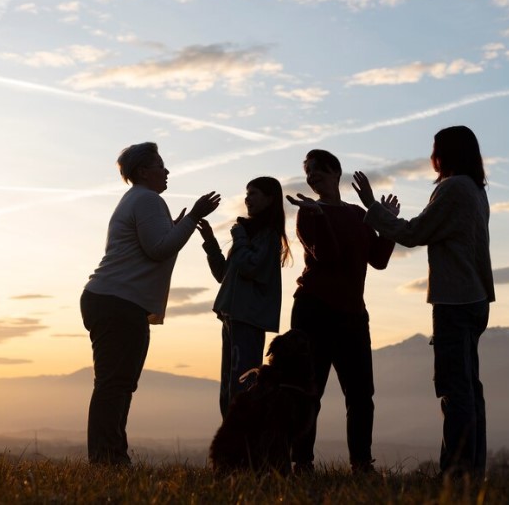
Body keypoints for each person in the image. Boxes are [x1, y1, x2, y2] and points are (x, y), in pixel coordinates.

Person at [351, 126, 495, 480]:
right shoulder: (476, 191)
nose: (431, 156)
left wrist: (371, 207)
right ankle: (470, 470)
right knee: (470, 388)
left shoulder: (454, 188)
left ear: (444, 153)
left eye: (434, 149)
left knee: (454, 389)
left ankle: (456, 474)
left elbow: (414, 233)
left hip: (455, 300)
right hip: (475, 298)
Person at [80, 142, 221, 466]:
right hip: (118, 302)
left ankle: (112, 456)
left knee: (118, 383)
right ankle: (106, 459)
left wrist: (177, 226)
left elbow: (153, 246)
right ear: (144, 171)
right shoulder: (147, 200)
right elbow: (159, 249)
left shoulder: (139, 200)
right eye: (160, 164)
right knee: (115, 384)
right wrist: (194, 217)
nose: (167, 170)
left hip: (113, 301)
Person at [285, 149, 396, 474]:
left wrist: (385, 221)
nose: (312, 176)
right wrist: (318, 216)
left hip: (352, 315)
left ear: (335, 172)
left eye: (318, 169)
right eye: (308, 171)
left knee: (362, 394)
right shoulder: (307, 212)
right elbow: (328, 256)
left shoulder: (357, 214)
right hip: (313, 311)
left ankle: (362, 463)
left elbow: (379, 259)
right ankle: (301, 463)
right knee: (309, 390)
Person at [196, 176, 292, 418]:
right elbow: (223, 274)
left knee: (242, 384)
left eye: (254, 193)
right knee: (229, 384)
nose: (247, 198)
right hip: (233, 316)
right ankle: (230, 442)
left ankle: (242, 443)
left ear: (270, 199)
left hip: (248, 318)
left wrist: (239, 237)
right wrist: (210, 242)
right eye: (246, 193)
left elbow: (251, 266)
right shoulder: (249, 234)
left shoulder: (268, 236)